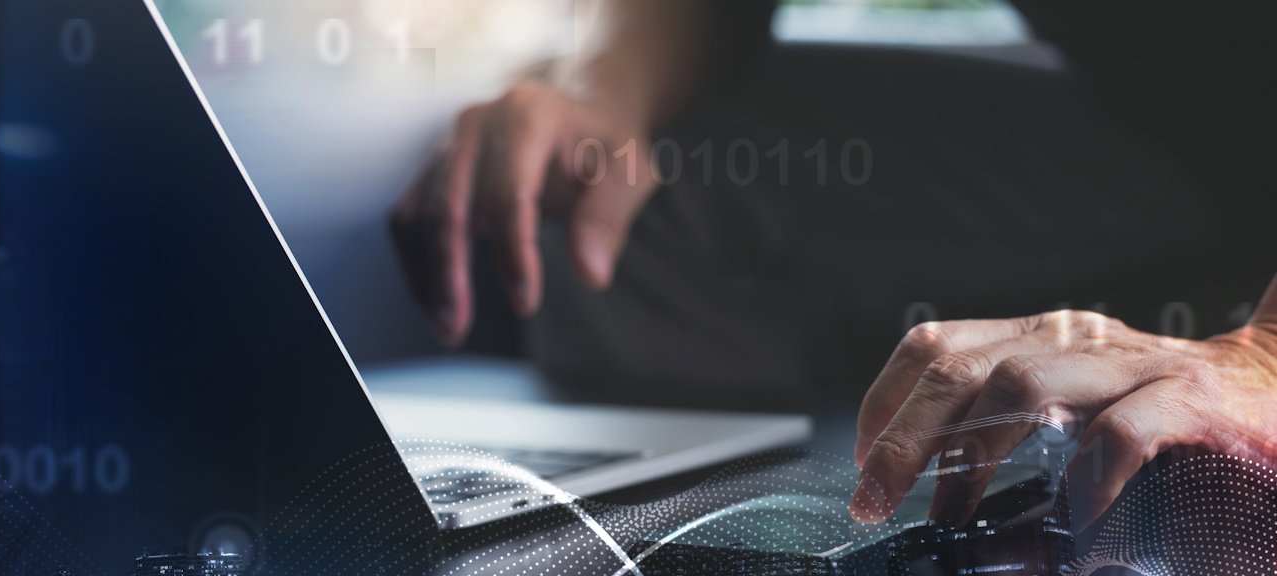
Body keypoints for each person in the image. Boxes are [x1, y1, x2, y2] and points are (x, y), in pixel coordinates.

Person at [388, 0, 1277, 527]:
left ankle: (1169, 395)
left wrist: (1258, 358)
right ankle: (839, 511)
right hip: (1186, 132)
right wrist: (601, 91)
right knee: (622, 214)